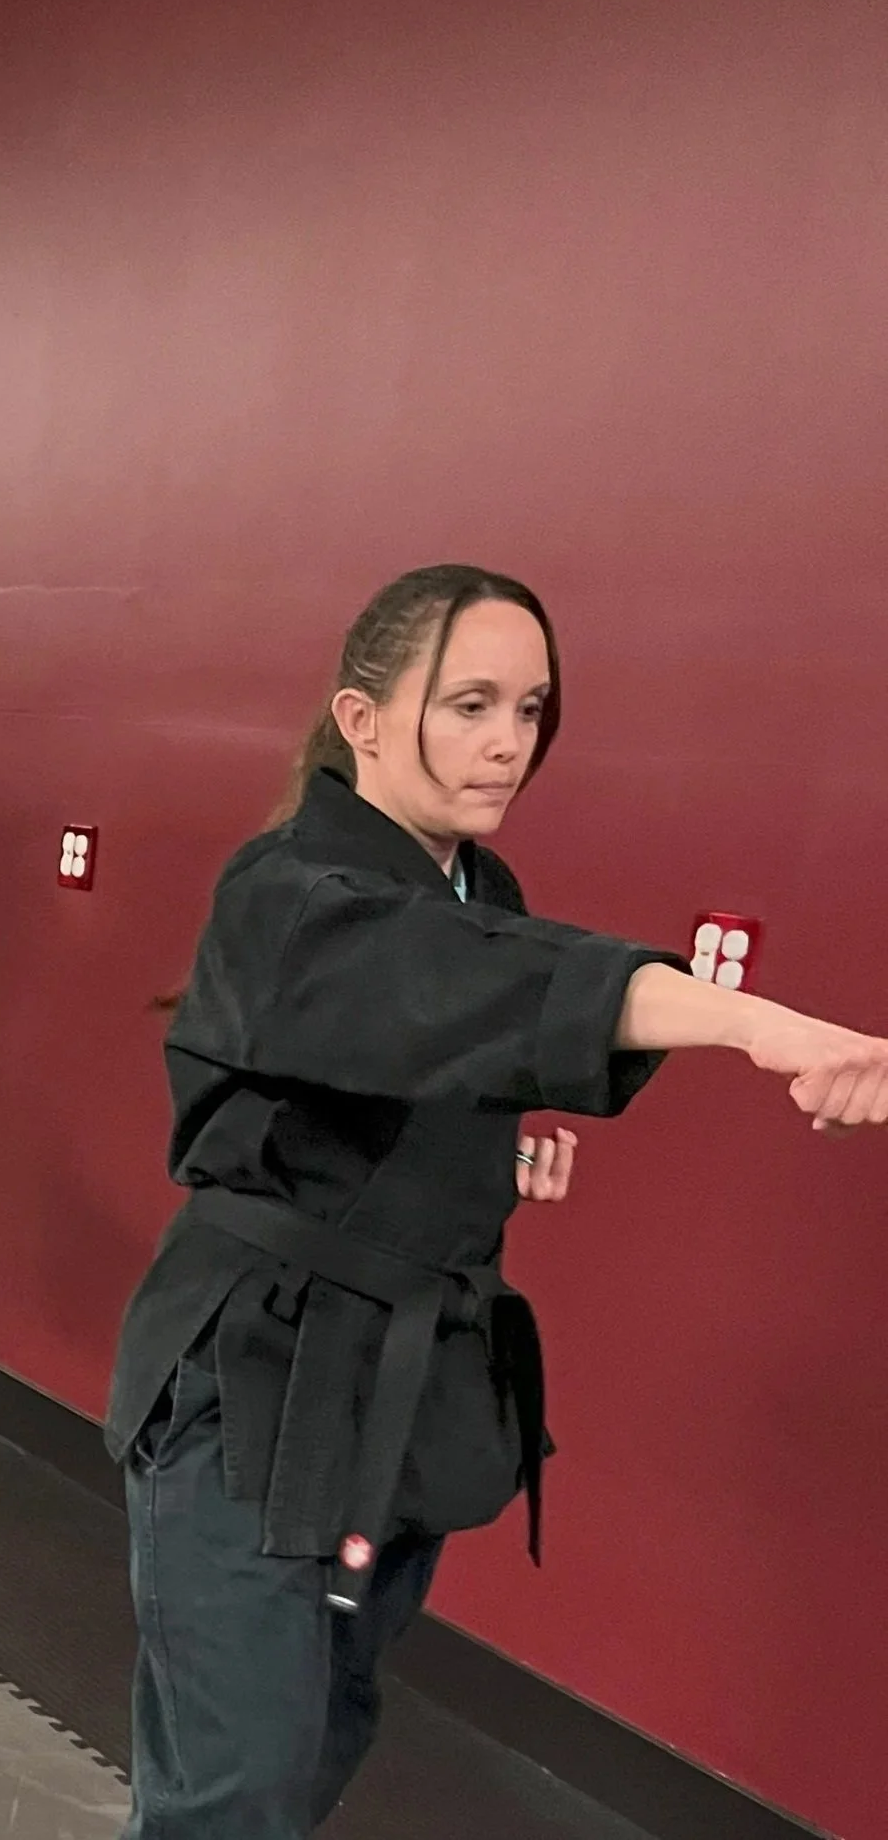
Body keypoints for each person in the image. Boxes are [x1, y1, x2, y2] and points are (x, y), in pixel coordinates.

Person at [105, 564, 888, 1840]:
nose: (506, 742)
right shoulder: (285, 888)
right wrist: (759, 1024)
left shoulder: (478, 885)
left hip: (398, 1390)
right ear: (361, 718)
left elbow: (427, 1042)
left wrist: (478, 1157)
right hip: (252, 1381)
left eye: (528, 708)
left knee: (320, 1734)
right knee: (234, 1780)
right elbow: (455, 982)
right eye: (468, 703)